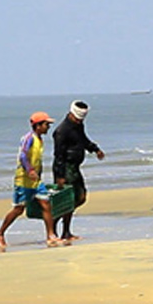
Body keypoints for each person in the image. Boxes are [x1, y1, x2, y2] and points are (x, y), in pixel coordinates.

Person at [0, 111, 60, 248]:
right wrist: (29, 170)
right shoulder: (28, 138)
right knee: (19, 209)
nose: (48, 127)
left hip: (36, 181)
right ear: (38, 125)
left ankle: (51, 235)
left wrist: (38, 174)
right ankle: (0, 233)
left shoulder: (40, 139)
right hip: (23, 180)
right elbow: (23, 156)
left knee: (46, 204)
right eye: (46, 124)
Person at [52, 100, 105, 241]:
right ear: (71, 114)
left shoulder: (78, 126)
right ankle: (59, 228)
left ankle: (62, 227)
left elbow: (83, 140)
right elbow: (58, 155)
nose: (79, 121)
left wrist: (95, 149)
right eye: (77, 118)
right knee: (69, 199)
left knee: (80, 197)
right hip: (66, 168)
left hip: (75, 167)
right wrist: (60, 175)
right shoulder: (61, 131)